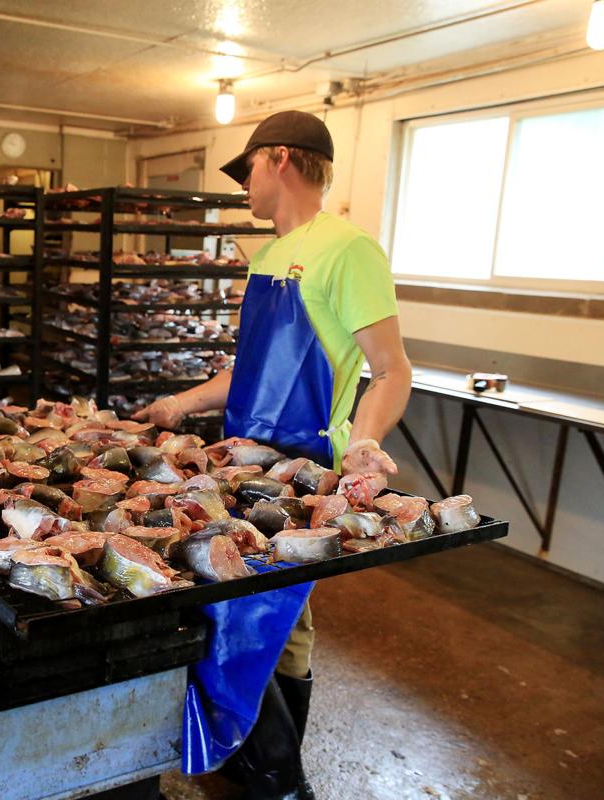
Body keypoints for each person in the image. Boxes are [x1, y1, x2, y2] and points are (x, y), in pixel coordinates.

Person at [136, 111, 412, 798]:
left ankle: (278, 778)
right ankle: (250, 760)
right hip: (238, 464)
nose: (245, 186)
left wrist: (367, 443)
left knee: (273, 615)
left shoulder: (348, 251)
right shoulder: (263, 258)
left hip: (297, 475)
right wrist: (181, 404)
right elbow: (246, 371)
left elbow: (392, 370)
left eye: (249, 169)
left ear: (282, 159)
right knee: (248, 611)